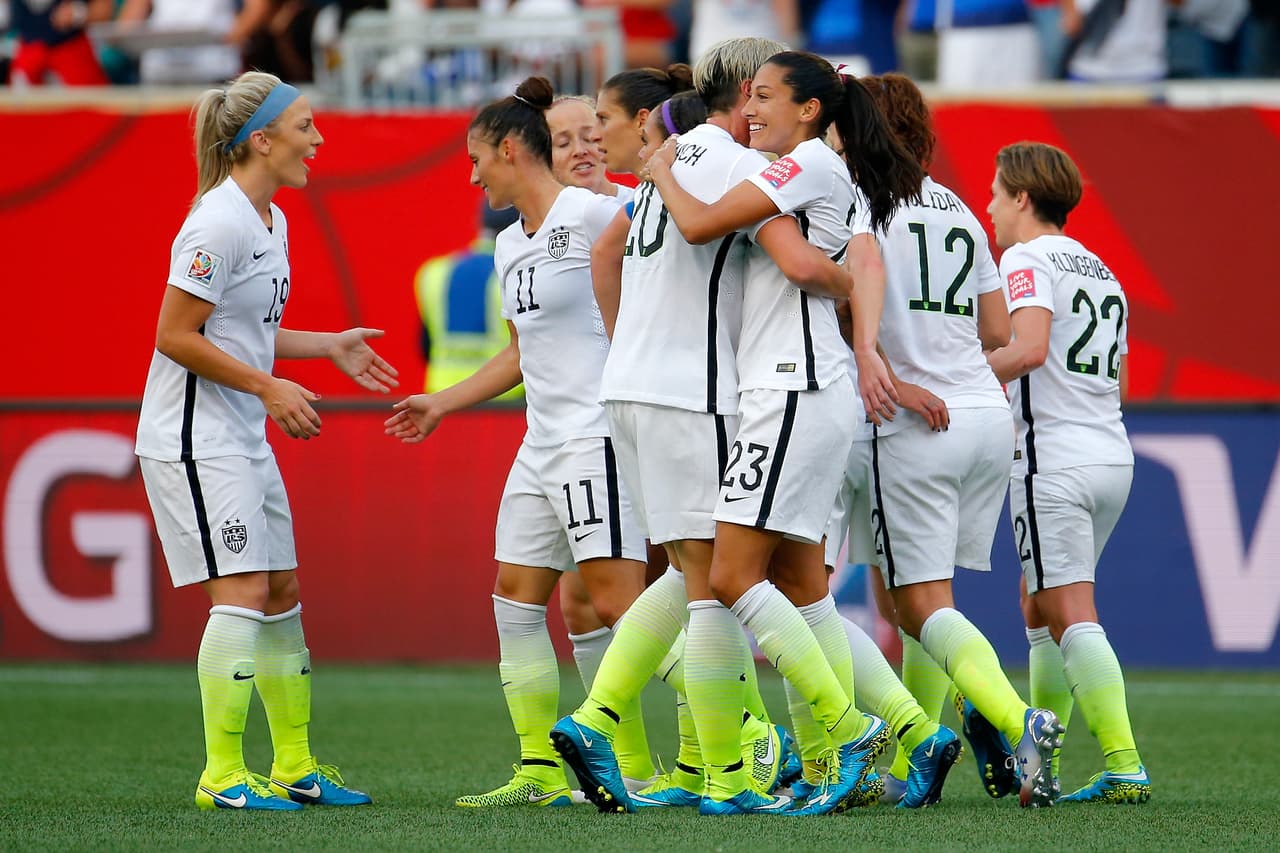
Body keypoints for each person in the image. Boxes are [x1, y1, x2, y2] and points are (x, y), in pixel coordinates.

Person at [553, 37, 835, 817]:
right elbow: (800, 263)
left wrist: (630, 341)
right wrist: (853, 278)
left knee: (686, 575)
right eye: (766, 93)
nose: (767, 109)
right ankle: (727, 774)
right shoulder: (740, 167)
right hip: (695, 392)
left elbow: (607, 253)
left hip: (633, 389)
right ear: (745, 91)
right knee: (713, 588)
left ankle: (602, 720)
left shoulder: (668, 160)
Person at [645, 49, 929, 816]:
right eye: (748, 95)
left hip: (792, 390)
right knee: (804, 585)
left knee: (732, 576)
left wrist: (660, 167)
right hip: (795, 385)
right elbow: (839, 265)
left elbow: (700, 224)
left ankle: (850, 729)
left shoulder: (802, 165)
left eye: (766, 96)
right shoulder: (813, 169)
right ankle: (854, 757)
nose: (753, 108)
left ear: (809, 109)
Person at [385, 77, 651, 810]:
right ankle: (539, 767)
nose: (472, 176)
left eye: (476, 159)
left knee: (622, 606)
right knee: (514, 596)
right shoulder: (507, 244)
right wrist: (442, 400)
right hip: (542, 441)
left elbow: (680, 246)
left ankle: (727, 745)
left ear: (507, 150)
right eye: (566, 135)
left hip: (599, 434)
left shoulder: (604, 211)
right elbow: (517, 353)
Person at [134, 71, 390, 811]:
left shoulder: (269, 218)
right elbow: (175, 336)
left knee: (280, 591)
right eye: (306, 125)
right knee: (244, 590)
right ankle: (220, 774)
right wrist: (268, 387)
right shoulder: (218, 221)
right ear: (263, 139)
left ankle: (294, 765)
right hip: (196, 437)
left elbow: (247, 332)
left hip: (239, 432)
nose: (319, 139)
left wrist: (325, 346)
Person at [841, 71, 1064, 807]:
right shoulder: (961, 208)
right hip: (982, 416)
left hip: (914, 416)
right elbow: (998, 332)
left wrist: (901, 364)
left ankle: (1010, 717)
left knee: (918, 602)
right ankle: (932, 747)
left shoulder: (861, 201)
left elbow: (849, 311)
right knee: (919, 596)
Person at [985, 141, 1149, 805]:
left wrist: (958, 380)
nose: (990, 208)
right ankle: (1040, 765)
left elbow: (1029, 347)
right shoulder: (1103, 269)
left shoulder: (1024, 258)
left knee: (1070, 609)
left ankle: (1124, 762)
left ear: (1023, 197)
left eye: (997, 193)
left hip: (1052, 457)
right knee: (1037, 599)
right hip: (1111, 452)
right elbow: (1122, 382)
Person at [414, 199, 523, 398]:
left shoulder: (434, 272)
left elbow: (425, 346)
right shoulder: (519, 275)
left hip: (443, 398)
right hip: (506, 399)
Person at [8, 0, 113, 85]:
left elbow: (104, 9)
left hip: (71, 48)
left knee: (94, 105)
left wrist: (79, 13)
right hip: (28, 50)